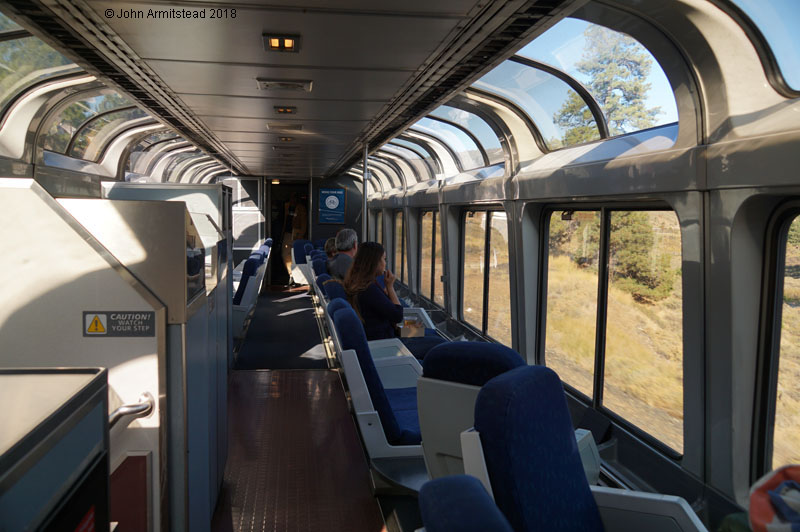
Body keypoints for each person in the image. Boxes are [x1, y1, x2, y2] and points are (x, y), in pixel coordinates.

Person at [344, 242, 446, 359]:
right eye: (383, 259)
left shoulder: (360, 284)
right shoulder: (369, 290)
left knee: (430, 332)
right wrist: (390, 287)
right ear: (374, 262)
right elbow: (397, 315)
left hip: (391, 331)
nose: (385, 263)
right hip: (389, 344)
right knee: (440, 344)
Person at [280, 193, 308, 282]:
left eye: (294, 198)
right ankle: (291, 274)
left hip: (296, 234)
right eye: (291, 198)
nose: (292, 200)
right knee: (285, 254)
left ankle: (297, 277)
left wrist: (300, 235)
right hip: (287, 233)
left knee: (295, 255)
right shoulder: (286, 206)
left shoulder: (301, 208)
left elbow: (304, 223)